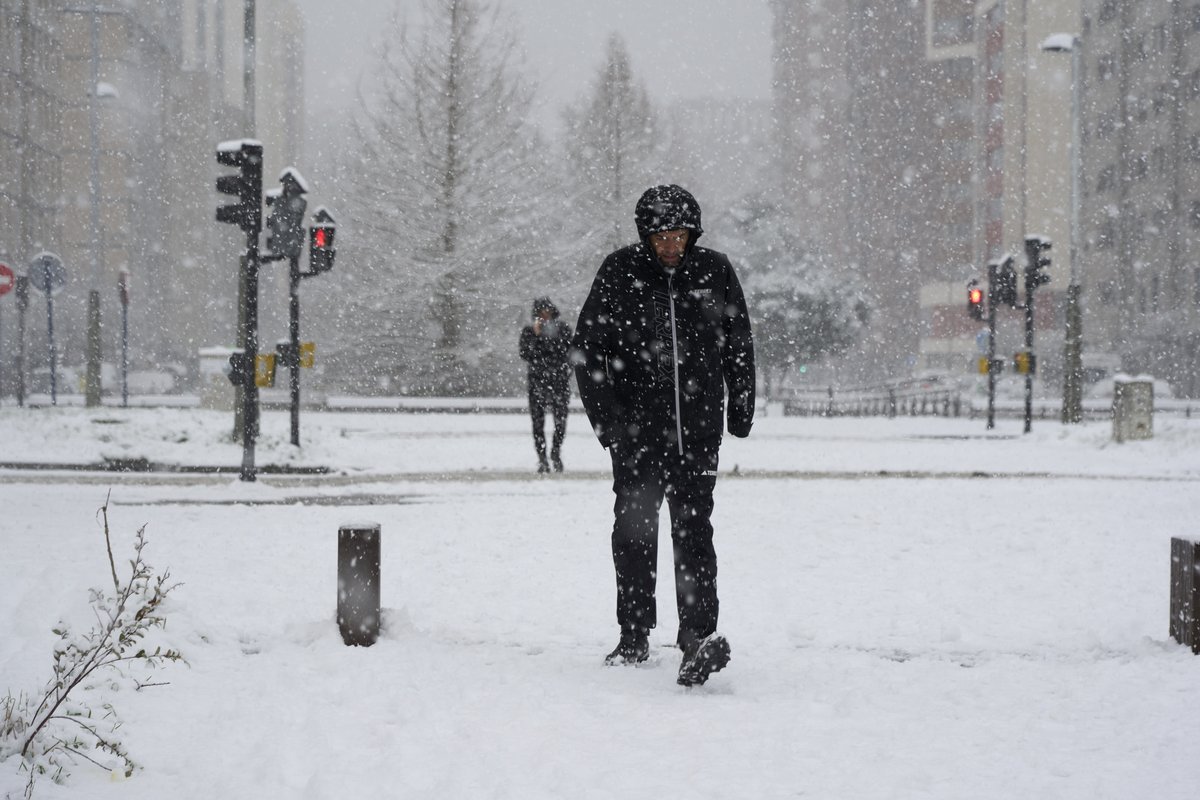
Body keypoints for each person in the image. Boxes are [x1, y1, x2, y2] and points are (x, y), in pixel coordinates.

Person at [571, 184, 755, 687]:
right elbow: (587, 351)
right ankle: (633, 634)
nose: (671, 245)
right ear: (645, 236)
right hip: (636, 437)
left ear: (693, 234)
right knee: (635, 535)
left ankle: (697, 637)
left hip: (697, 435)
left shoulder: (714, 271)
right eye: (661, 237)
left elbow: (738, 341)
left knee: (694, 534)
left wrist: (740, 405)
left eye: (679, 235)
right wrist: (609, 425)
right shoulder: (618, 272)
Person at [519, 297, 573, 473]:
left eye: (547, 311)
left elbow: (569, 353)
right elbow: (526, 353)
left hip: (559, 382)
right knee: (538, 423)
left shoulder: (563, 330)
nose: (545, 315)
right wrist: (536, 336)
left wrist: (564, 372)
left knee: (560, 422)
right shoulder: (529, 331)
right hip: (537, 383)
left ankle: (555, 452)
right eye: (541, 312)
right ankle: (542, 459)